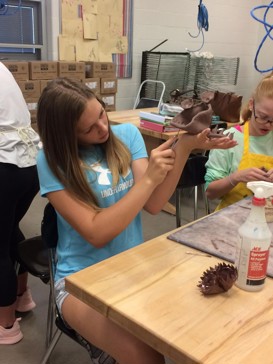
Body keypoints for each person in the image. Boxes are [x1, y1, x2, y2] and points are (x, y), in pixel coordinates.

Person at [36, 78, 236, 364]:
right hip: (79, 280)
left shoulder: (127, 136)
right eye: (89, 128)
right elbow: (96, 232)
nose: (103, 128)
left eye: (102, 115)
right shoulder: (50, 160)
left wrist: (186, 146)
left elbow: (154, 203)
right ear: (66, 134)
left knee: (192, 332)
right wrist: (148, 180)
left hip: (131, 268)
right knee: (146, 357)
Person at [0, 62, 40, 344]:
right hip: (30, 162)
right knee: (10, 229)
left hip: (5, 163)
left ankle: (6, 326)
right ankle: (22, 296)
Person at [205, 72, 273, 210]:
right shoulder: (228, 139)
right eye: (262, 117)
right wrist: (235, 178)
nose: (268, 125)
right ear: (251, 105)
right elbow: (210, 193)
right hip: (231, 216)